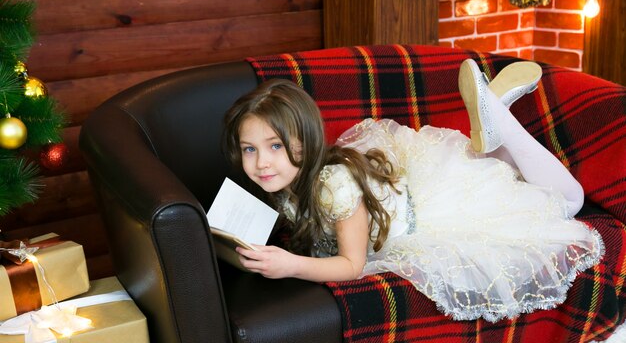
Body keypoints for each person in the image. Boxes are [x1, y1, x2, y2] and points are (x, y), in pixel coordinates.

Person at [221, 59, 604, 323]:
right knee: (505, 174)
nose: (262, 163)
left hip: (434, 215)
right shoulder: (284, 182)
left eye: (274, 146)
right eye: (249, 149)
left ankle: (500, 120)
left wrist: (291, 265)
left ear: (304, 141)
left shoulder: (334, 186)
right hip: (416, 191)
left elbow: (353, 266)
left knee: (569, 203)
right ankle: (495, 118)